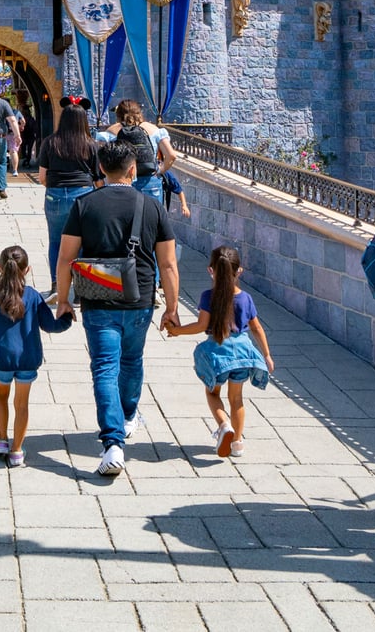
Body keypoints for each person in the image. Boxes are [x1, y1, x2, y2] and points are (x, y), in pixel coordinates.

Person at [53, 141, 182, 477]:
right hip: (139, 299)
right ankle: (127, 417)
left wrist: (64, 299)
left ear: (101, 169)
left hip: (97, 297)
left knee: (104, 367)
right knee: (131, 360)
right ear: (133, 170)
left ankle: (112, 443)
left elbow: (66, 258)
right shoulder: (152, 206)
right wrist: (171, 307)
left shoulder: (84, 205)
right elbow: (167, 264)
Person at [167, 244, 274, 458]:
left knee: (212, 392)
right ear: (239, 271)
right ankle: (237, 443)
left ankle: (224, 425)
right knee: (237, 399)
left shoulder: (209, 297)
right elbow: (257, 327)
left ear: (210, 270)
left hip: (218, 354)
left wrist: (177, 331)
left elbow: (200, 325)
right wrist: (267, 355)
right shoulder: (246, 298)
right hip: (243, 354)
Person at [0, 244, 75, 467]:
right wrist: (66, 318)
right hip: (28, 359)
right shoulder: (32, 296)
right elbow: (50, 326)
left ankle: (2, 440)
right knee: (22, 404)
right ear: (27, 270)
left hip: (1, 359)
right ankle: (17, 450)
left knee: (1, 396)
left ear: (0, 268)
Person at [34, 104, 99, 294]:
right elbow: (98, 178)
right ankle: (81, 289)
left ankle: (56, 284)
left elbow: (42, 177)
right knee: (83, 243)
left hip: (55, 194)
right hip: (83, 195)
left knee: (56, 241)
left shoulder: (50, 142)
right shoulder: (90, 144)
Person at [109, 100, 167, 202]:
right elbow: (171, 156)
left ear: (118, 115)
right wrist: (159, 171)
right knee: (152, 216)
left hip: (124, 182)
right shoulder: (153, 129)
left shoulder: (112, 131)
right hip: (150, 180)